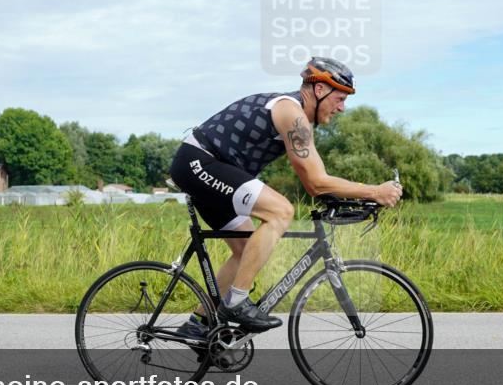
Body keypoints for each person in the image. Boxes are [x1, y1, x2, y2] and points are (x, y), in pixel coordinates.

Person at [168, 57, 402, 336]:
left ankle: (198, 324)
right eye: (339, 98)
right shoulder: (292, 114)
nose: (342, 108)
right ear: (319, 90)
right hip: (199, 162)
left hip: (210, 167)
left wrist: (350, 199)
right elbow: (317, 184)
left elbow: (316, 180)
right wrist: (375, 191)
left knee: (244, 253)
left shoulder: (297, 117)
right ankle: (237, 302)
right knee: (280, 211)